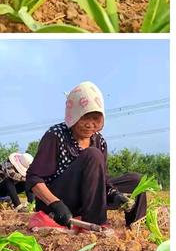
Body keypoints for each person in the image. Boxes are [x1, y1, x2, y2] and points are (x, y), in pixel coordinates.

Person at [26, 81, 147, 228]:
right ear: (73, 116)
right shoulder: (56, 135)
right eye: (85, 118)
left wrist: (114, 194)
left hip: (89, 195)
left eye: (95, 119)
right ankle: (94, 224)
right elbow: (33, 178)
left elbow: (102, 179)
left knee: (136, 181)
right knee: (93, 155)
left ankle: (136, 227)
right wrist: (55, 203)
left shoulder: (99, 140)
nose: (90, 125)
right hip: (60, 200)